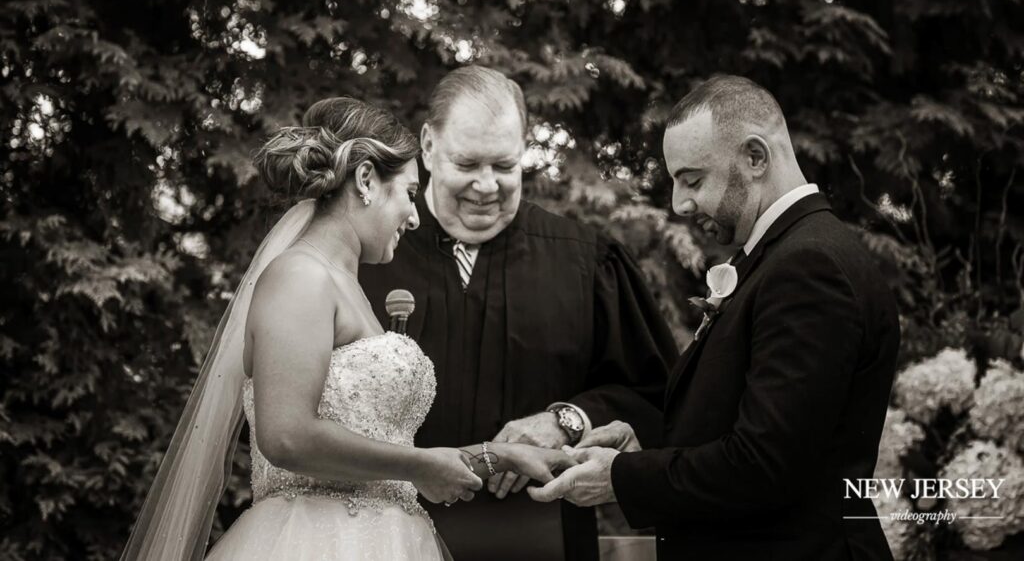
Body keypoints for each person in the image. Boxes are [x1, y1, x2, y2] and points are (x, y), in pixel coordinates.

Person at [122, 97, 572, 561]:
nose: (415, 217)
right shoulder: (300, 275)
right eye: (411, 194)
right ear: (365, 181)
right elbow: (287, 436)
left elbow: (380, 449)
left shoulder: (348, 289)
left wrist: (501, 455)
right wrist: (420, 465)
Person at [530, 75, 901, 560]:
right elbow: (756, 428)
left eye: (693, 179)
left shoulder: (809, 268)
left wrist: (619, 477)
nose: (679, 204)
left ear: (754, 158)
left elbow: (764, 466)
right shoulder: (783, 256)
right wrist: (651, 448)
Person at [360, 67, 679, 561]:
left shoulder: (586, 261)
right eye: (467, 164)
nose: (487, 186)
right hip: (379, 537)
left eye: (505, 166)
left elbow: (656, 396)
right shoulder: (364, 256)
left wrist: (568, 420)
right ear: (427, 145)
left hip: (543, 539)